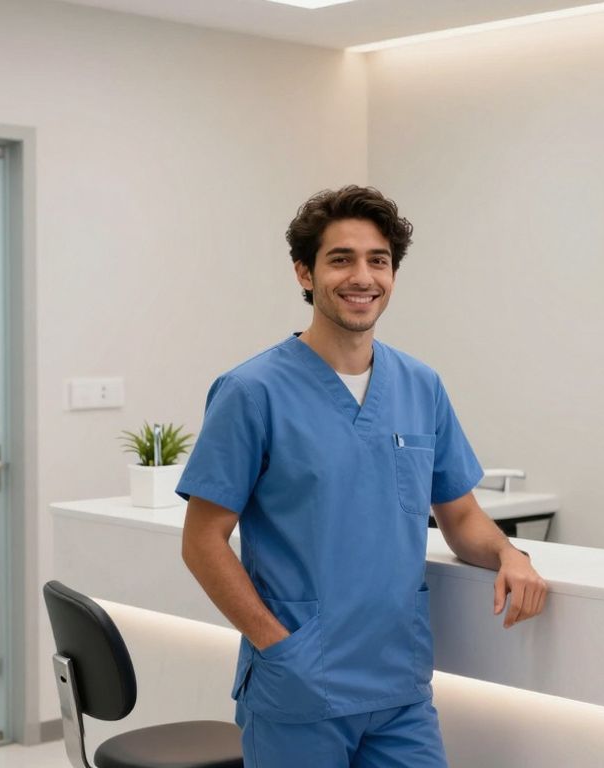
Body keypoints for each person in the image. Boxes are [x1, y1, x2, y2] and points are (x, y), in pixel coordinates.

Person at [178, 185, 547, 767]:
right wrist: (278, 647)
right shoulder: (251, 392)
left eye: (378, 261)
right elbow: (201, 542)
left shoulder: (420, 385)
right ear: (305, 273)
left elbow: (462, 515)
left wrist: (509, 556)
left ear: (393, 275)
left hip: (399, 686)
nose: (362, 277)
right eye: (340, 259)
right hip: (298, 687)